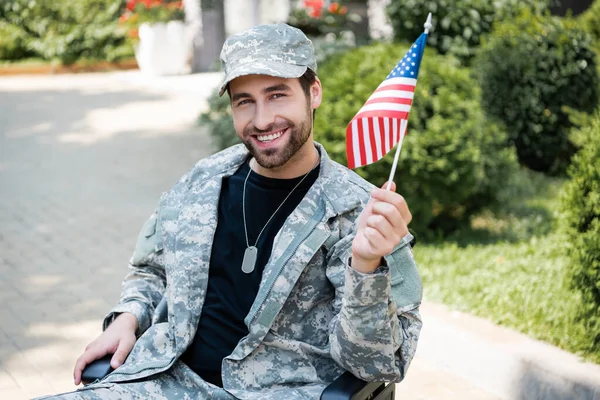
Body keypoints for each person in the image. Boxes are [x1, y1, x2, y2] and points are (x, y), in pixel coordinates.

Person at [38, 23, 422, 400]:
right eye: (244, 101)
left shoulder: (362, 214)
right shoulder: (202, 181)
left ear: (313, 92)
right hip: (161, 380)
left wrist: (366, 266)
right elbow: (151, 270)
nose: (261, 120)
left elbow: (377, 368)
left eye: (277, 95)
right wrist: (128, 318)